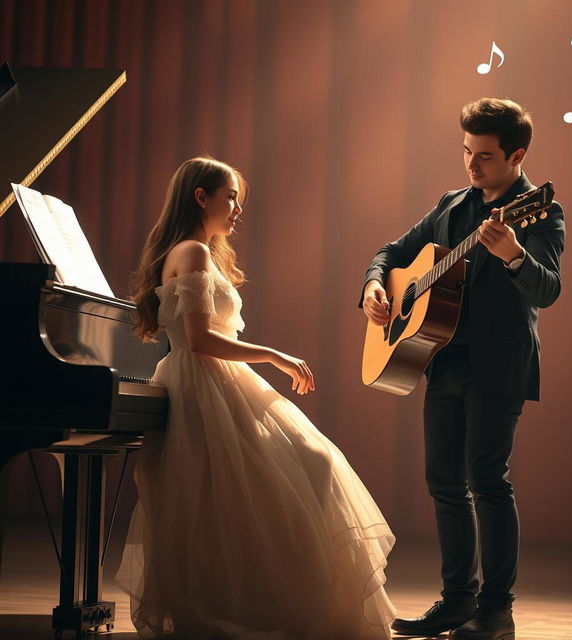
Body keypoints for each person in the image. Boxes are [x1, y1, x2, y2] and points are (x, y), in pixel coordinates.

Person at [116, 156, 396, 640]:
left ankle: (270, 598)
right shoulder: (192, 253)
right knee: (256, 487)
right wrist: (275, 356)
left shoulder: (199, 251)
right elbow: (200, 339)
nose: (237, 211)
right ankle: (264, 603)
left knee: (295, 472)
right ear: (200, 196)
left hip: (217, 380)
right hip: (204, 381)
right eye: (230, 198)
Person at [361, 98, 565, 640]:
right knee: (444, 481)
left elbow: (548, 289)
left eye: (486, 157)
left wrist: (516, 256)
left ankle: (496, 611)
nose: (472, 166)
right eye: (467, 152)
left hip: (499, 364)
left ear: (517, 156)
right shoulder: (452, 204)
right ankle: (457, 601)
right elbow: (390, 251)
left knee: (487, 480)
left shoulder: (540, 211)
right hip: (442, 358)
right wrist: (374, 287)